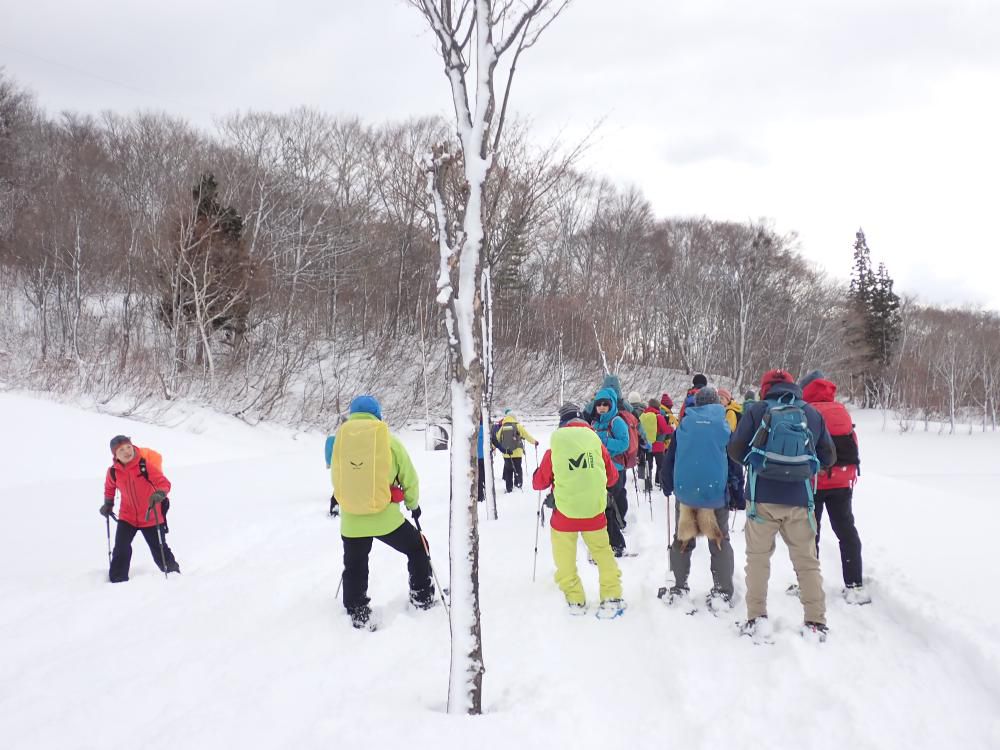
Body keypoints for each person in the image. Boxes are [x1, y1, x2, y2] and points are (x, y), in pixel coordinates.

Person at [728, 369, 836, 641]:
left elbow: (735, 450)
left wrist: (759, 460)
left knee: (758, 561)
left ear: (766, 388)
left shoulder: (756, 411)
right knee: (807, 562)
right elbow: (829, 455)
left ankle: (756, 618)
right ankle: (815, 621)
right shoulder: (810, 414)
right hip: (800, 499)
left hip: (761, 499)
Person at [331, 395, 434, 630]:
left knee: (355, 563)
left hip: (352, 521)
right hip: (385, 518)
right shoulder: (387, 439)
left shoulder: (341, 440)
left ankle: (357, 610)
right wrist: (412, 504)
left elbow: (336, 478)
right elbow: (409, 477)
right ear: (377, 414)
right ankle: (422, 597)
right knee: (418, 547)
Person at [533, 402, 625, 618]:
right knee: (603, 554)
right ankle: (611, 596)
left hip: (564, 516)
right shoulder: (596, 443)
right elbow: (613, 477)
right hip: (594, 513)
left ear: (562, 423)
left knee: (564, 559)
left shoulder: (555, 447)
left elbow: (539, 483)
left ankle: (575, 600)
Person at [660, 388, 741, 610]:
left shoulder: (684, 425)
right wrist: (738, 494)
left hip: (686, 494)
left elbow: (670, 458)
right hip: (715, 494)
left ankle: (678, 586)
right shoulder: (724, 426)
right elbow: (734, 463)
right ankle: (722, 591)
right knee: (719, 541)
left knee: (683, 539)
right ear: (716, 404)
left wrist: (667, 484)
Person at [800, 370, 869, 604]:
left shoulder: (807, 412)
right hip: (842, 479)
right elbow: (853, 442)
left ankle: (810, 585)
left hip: (815, 480)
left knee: (811, 532)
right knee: (846, 530)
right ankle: (854, 584)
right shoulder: (841, 410)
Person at [102, 435, 180, 582]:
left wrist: (160, 493)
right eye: (121, 450)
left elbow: (164, 483)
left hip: (151, 516)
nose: (126, 452)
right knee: (121, 548)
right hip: (127, 517)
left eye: (128, 447)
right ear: (115, 455)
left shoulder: (144, 465)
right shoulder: (113, 472)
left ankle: (174, 575)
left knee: (159, 549)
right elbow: (109, 488)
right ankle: (117, 580)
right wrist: (108, 504)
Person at [592, 387, 631, 556]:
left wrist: (604, 441)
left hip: (616, 469)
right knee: (610, 504)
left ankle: (617, 543)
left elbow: (624, 444)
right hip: (601, 469)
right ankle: (617, 530)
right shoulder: (596, 423)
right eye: (599, 404)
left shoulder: (617, 422)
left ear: (612, 405)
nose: (601, 407)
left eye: (605, 404)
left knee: (609, 505)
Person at [493, 409, 538, 493]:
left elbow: (497, 439)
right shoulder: (517, 426)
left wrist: (492, 447)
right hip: (517, 453)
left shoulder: (503, 427)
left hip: (506, 453)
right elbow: (527, 435)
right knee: (518, 469)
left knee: (508, 470)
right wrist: (534, 442)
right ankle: (518, 486)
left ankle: (509, 488)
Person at [640, 398, 670, 488]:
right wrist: (671, 428)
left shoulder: (643, 415)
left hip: (646, 445)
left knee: (648, 464)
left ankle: (648, 483)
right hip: (658, 445)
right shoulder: (658, 416)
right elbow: (665, 430)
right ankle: (659, 481)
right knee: (660, 464)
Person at [324, 434, 340, 516]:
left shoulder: (332, 438)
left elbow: (328, 451)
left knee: (337, 483)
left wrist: (328, 462)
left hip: (335, 463)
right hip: (341, 463)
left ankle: (334, 509)